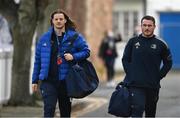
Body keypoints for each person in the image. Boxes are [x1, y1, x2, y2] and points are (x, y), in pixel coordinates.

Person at [31, 9, 90, 117]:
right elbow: (38, 61)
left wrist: (73, 56)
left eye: (61, 19)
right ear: (52, 21)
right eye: (56, 19)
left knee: (65, 112)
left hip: (66, 81)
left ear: (65, 21)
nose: (58, 21)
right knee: (48, 110)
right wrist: (34, 80)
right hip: (48, 81)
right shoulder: (44, 39)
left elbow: (86, 52)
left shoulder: (74, 37)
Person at [122, 15, 173, 117]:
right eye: (144, 25)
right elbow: (125, 59)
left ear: (154, 27)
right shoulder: (133, 42)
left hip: (152, 86)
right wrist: (131, 74)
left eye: (149, 25)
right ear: (141, 26)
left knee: (150, 114)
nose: (147, 28)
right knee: (137, 109)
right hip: (135, 85)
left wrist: (159, 76)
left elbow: (168, 63)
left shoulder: (161, 44)